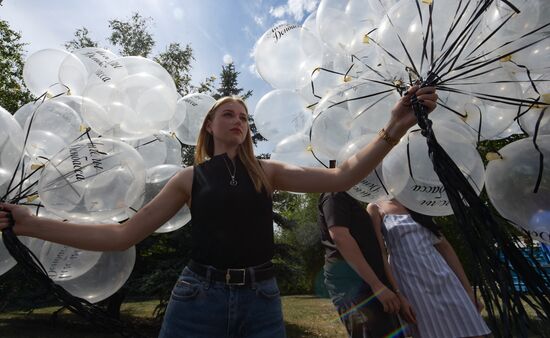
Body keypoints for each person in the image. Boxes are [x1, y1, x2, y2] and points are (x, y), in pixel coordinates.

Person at [0, 85, 437, 338]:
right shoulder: (188, 180)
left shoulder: (268, 172)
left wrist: (395, 126)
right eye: (228, 114)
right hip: (196, 300)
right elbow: (121, 236)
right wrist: (31, 223)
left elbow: (343, 177)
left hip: (262, 299)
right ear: (209, 125)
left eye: (244, 116)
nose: (238, 120)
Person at [367, 199, 491, 338]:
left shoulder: (417, 199)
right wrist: (399, 295)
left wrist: (468, 291)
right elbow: (381, 253)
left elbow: (444, 246)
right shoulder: (375, 207)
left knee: (472, 330)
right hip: (411, 281)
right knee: (433, 332)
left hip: (442, 274)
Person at [318, 190, 416, 338]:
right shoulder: (334, 193)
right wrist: (377, 285)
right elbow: (340, 237)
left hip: (369, 287)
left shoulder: (348, 197)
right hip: (354, 290)